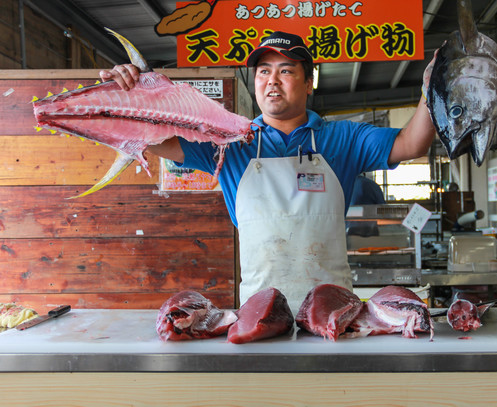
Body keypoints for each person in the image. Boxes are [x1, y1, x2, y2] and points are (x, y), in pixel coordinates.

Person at [100, 31, 435, 312]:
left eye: (286, 71)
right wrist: (129, 89)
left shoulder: (343, 139)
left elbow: (412, 144)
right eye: (263, 71)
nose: (272, 80)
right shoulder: (228, 141)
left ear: (308, 83)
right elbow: (149, 138)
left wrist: (430, 88)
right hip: (260, 314)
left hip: (333, 313)